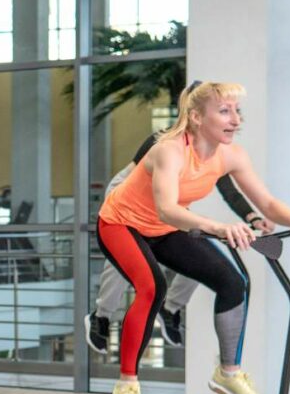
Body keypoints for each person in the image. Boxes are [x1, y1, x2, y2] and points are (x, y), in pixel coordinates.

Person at [97, 81, 290, 394]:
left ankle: (228, 373)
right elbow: (167, 209)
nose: (236, 120)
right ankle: (126, 387)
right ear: (197, 117)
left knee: (232, 282)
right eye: (225, 111)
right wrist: (219, 227)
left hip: (163, 230)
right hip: (120, 223)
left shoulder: (231, 155)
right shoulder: (168, 149)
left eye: (237, 111)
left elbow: (268, 203)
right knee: (152, 287)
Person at [86, 132, 275, 354]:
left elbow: (228, 190)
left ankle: (171, 309)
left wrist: (252, 217)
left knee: (197, 245)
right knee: (128, 250)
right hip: (129, 191)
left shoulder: (211, 152)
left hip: (166, 200)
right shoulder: (165, 141)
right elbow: (141, 180)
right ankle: (102, 316)